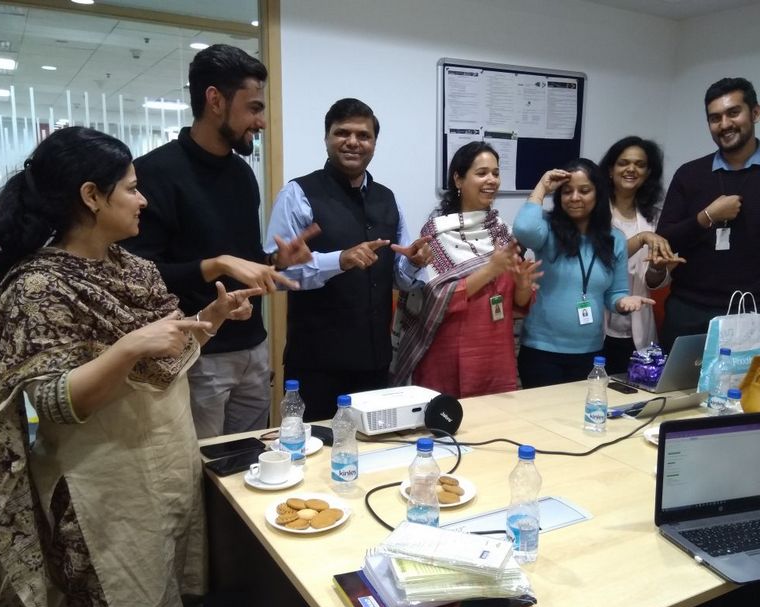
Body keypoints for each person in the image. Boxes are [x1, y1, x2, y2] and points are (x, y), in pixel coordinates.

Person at [0, 126, 263, 607]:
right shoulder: (38, 287)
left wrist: (212, 320)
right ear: (91, 196)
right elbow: (57, 402)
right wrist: (129, 346)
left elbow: (162, 362)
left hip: (160, 474)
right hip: (98, 493)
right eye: (131, 188)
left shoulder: (133, 268)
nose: (143, 199)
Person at [122, 44, 309, 439]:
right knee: (201, 474)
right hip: (195, 352)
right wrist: (216, 264)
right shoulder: (155, 173)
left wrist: (275, 260)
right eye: (254, 108)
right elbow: (138, 279)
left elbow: (242, 261)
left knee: (248, 464)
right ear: (215, 100)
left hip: (253, 349)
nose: (261, 122)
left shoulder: (242, 175)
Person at [265, 98, 431, 422]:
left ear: (374, 143)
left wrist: (413, 262)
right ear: (327, 138)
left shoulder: (387, 198)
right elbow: (276, 276)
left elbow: (399, 277)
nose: (353, 142)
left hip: (375, 362)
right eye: (342, 133)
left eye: (363, 135)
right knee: (314, 454)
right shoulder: (297, 194)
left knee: (373, 451)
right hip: (316, 365)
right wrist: (338, 260)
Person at [656, 77, 760, 355]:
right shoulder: (690, 174)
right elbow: (665, 239)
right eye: (715, 118)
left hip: (751, 313)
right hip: (687, 311)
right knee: (676, 396)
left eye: (734, 113)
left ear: (755, 113)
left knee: (741, 398)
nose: (725, 124)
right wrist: (706, 217)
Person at [390, 141, 541, 398]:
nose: (491, 180)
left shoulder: (502, 232)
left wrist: (524, 288)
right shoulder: (436, 234)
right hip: (447, 354)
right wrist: (490, 270)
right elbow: (434, 300)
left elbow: (515, 304)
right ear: (458, 179)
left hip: (496, 353)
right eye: (481, 173)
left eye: (495, 173)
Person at [513, 159, 655, 387]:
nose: (575, 197)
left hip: (591, 353)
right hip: (541, 350)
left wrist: (623, 302)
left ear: (598, 193)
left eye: (584, 190)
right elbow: (524, 229)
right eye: (567, 191)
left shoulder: (614, 239)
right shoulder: (547, 229)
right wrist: (541, 187)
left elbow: (615, 294)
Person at [597, 136, 685, 372]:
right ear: (610, 170)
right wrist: (641, 239)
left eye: (639, 164)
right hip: (596, 324)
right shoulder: (594, 211)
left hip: (637, 327)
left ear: (648, 173)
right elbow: (597, 258)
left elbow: (654, 282)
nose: (631, 169)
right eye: (623, 162)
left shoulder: (656, 218)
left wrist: (658, 268)